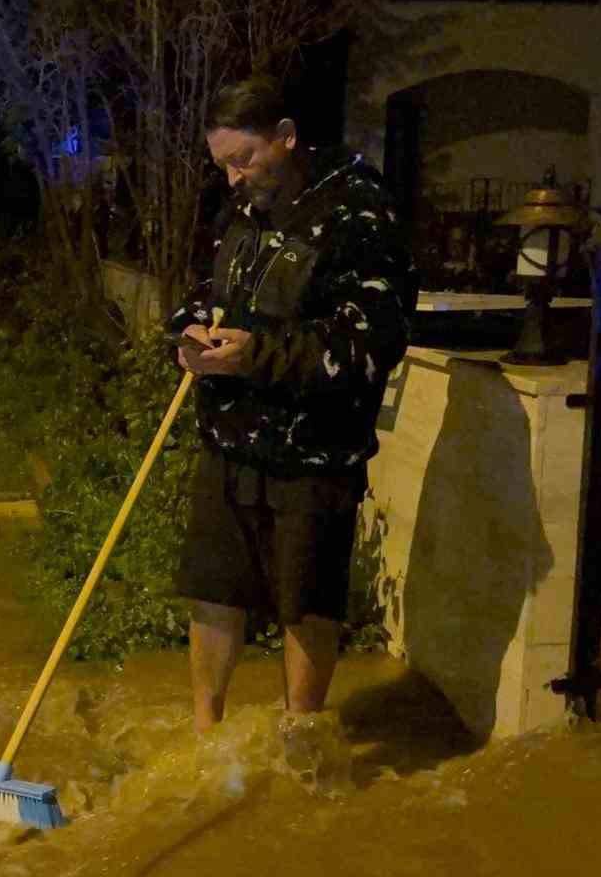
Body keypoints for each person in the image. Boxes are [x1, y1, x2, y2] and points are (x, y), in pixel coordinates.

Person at [168, 76, 416, 735]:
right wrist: (186, 334)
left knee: (305, 605)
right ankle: (204, 738)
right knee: (214, 591)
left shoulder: (358, 212)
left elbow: (374, 340)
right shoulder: (242, 208)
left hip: (314, 452)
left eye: (243, 159)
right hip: (230, 439)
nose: (232, 178)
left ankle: (300, 740)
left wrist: (261, 356)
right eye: (222, 164)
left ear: (286, 136)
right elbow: (203, 291)